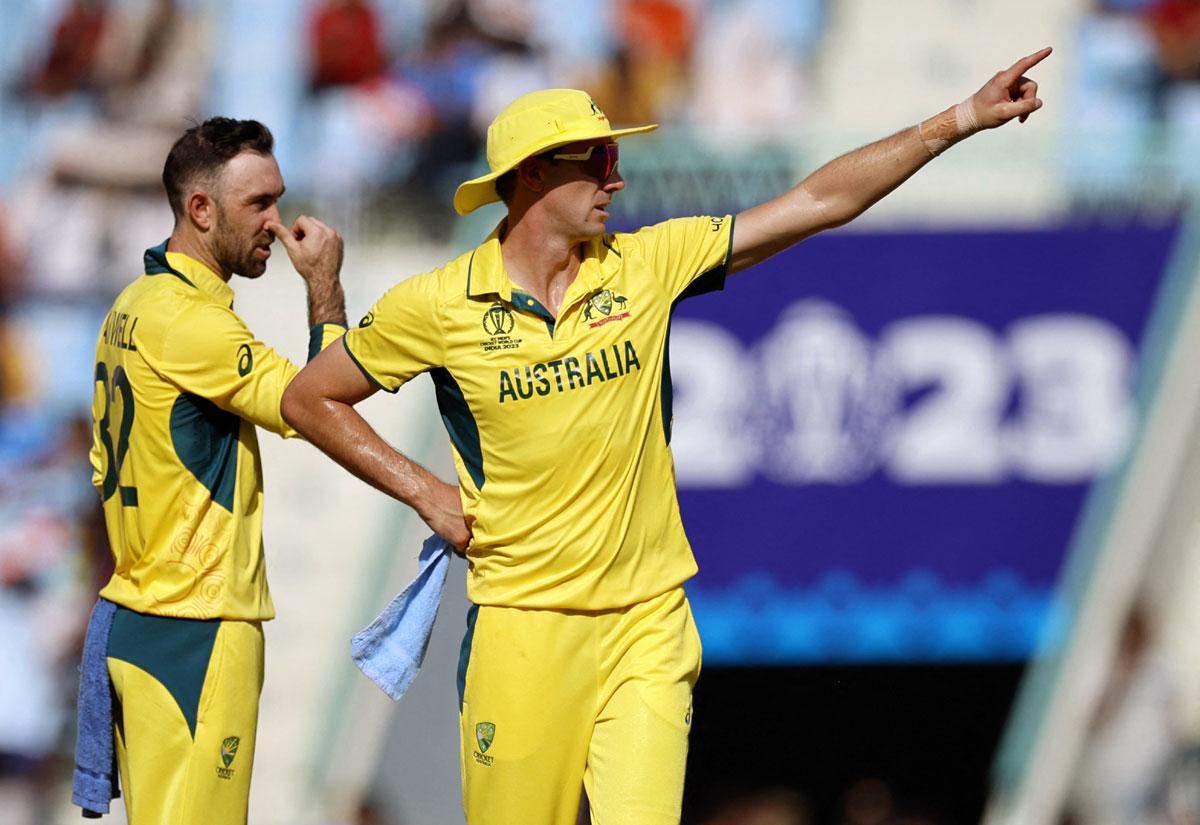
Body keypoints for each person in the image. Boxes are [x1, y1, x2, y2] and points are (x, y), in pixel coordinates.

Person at [280, 48, 1051, 825]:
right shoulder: (437, 304)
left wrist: (958, 121)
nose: (618, 178)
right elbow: (312, 399)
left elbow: (819, 200)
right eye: (600, 159)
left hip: (646, 625)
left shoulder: (647, 264)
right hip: (521, 630)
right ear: (536, 173)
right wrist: (424, 491)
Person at [79, 117, 347, 824]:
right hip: (198, 623)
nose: (277, 223)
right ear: (201, 209)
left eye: (278, 199)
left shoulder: (127, 309)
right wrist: (324, 288)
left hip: (137, 619)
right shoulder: (191, 323)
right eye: (259, 203)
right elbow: (319, 399)